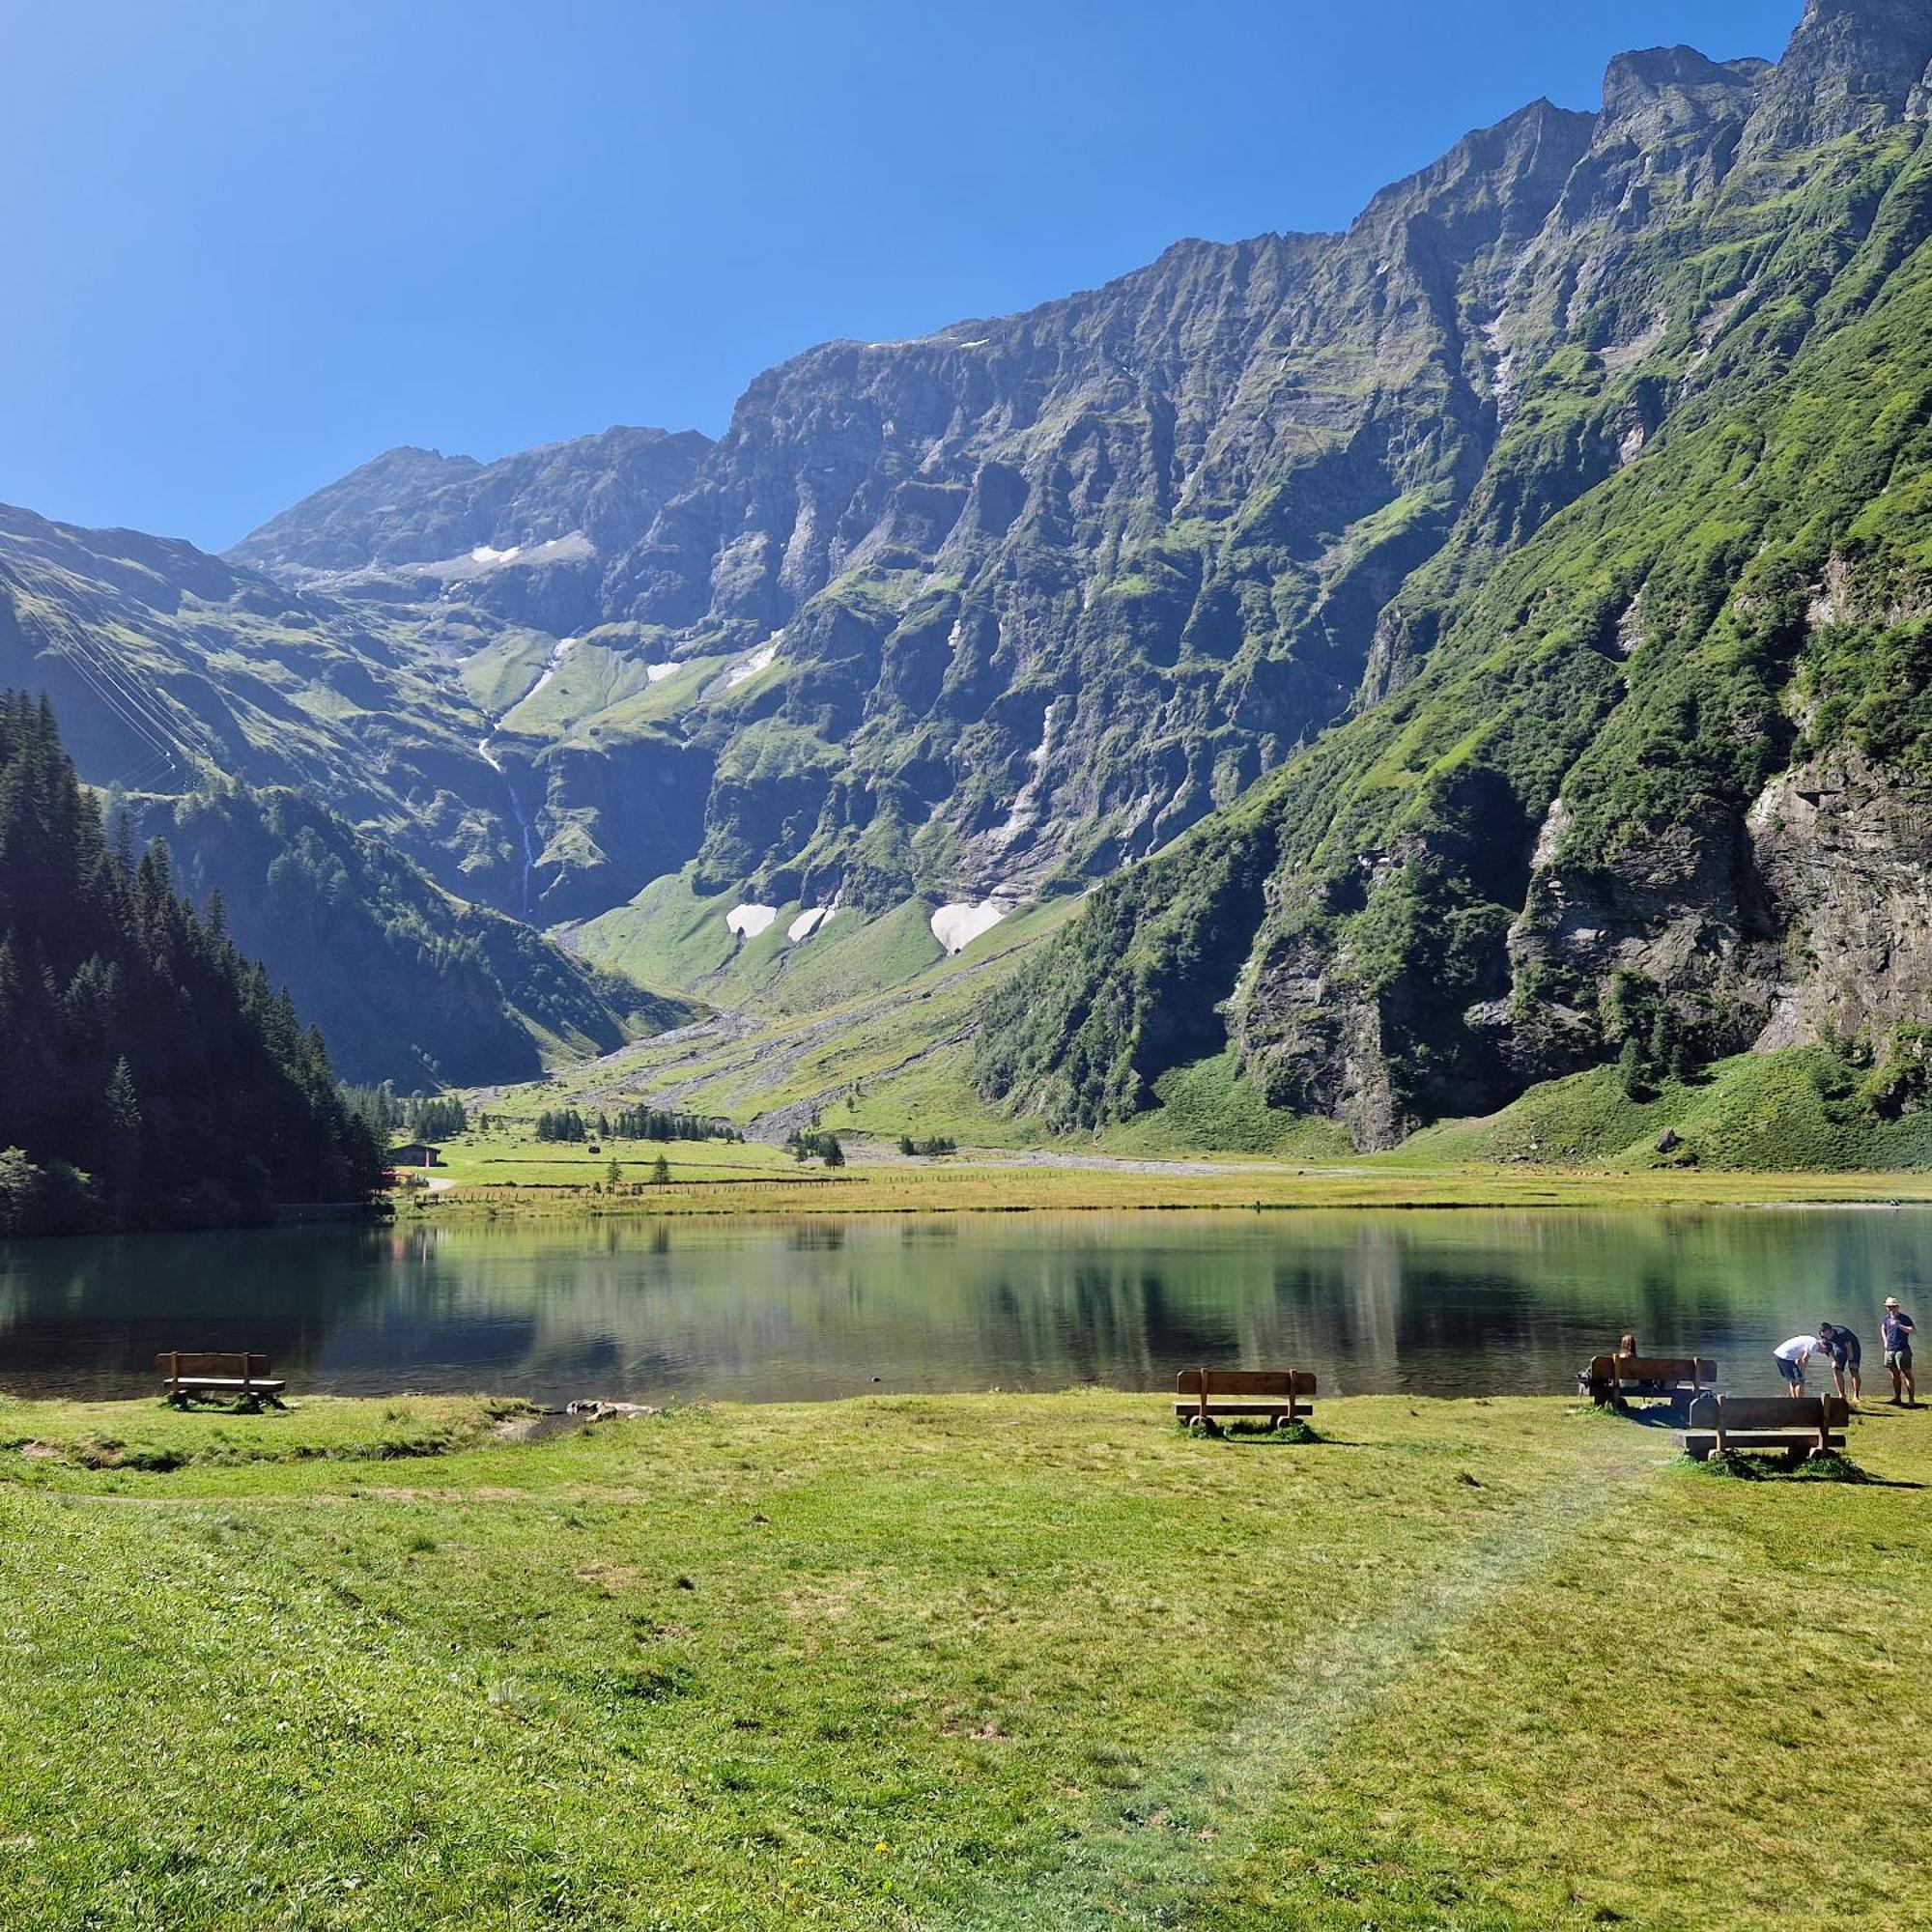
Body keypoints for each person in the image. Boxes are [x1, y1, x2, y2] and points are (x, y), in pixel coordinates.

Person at [1882, 1297, 1917, 1407]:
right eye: (1888, 1307)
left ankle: (1911, 1400)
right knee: (1894, 1374)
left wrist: (1900, 1325)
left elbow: (1913, 1330)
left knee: (1907, 1374)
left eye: (1892, 1306)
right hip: (1890, 1349)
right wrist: (1885, 1341)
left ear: (1897, 1307)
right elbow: (1883, 1328)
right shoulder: (1886, 1318)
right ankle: (1897, 1398)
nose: (1890, 1309)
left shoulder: (1904, 1318)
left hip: (1902, 1349)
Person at [1773, 1330, 1827, 1397]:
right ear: (1824, 1346)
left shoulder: (1812, 1340)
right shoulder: (1815, 1346)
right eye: (1824, 1351)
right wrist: (1802, 1374)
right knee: (1800, 1381)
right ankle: (1800, 1402)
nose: (1822, 1353)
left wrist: (1799, 1371)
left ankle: (1794, 1401)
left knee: (1794, 1380)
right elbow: (1805, 1359)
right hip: (1785, 1357)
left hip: (1779, 1355)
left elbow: (1799, 1360)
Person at [1820, 1322, 1861, 1404]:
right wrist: (1835, 1360)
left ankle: (1856, 1395)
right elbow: (1830, 1349)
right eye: (1825, 1335)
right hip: (1839, 1347)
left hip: (1853, 1346)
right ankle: (1842, 1395)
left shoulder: (1842, 1333)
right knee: (1836, 1369)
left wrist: (1851, 1361)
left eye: (1828, 1334)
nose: (1827, 1337)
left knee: (1853, 1369)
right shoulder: (1823, 1336)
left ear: (1832, 1331)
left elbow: (1849, 1349)